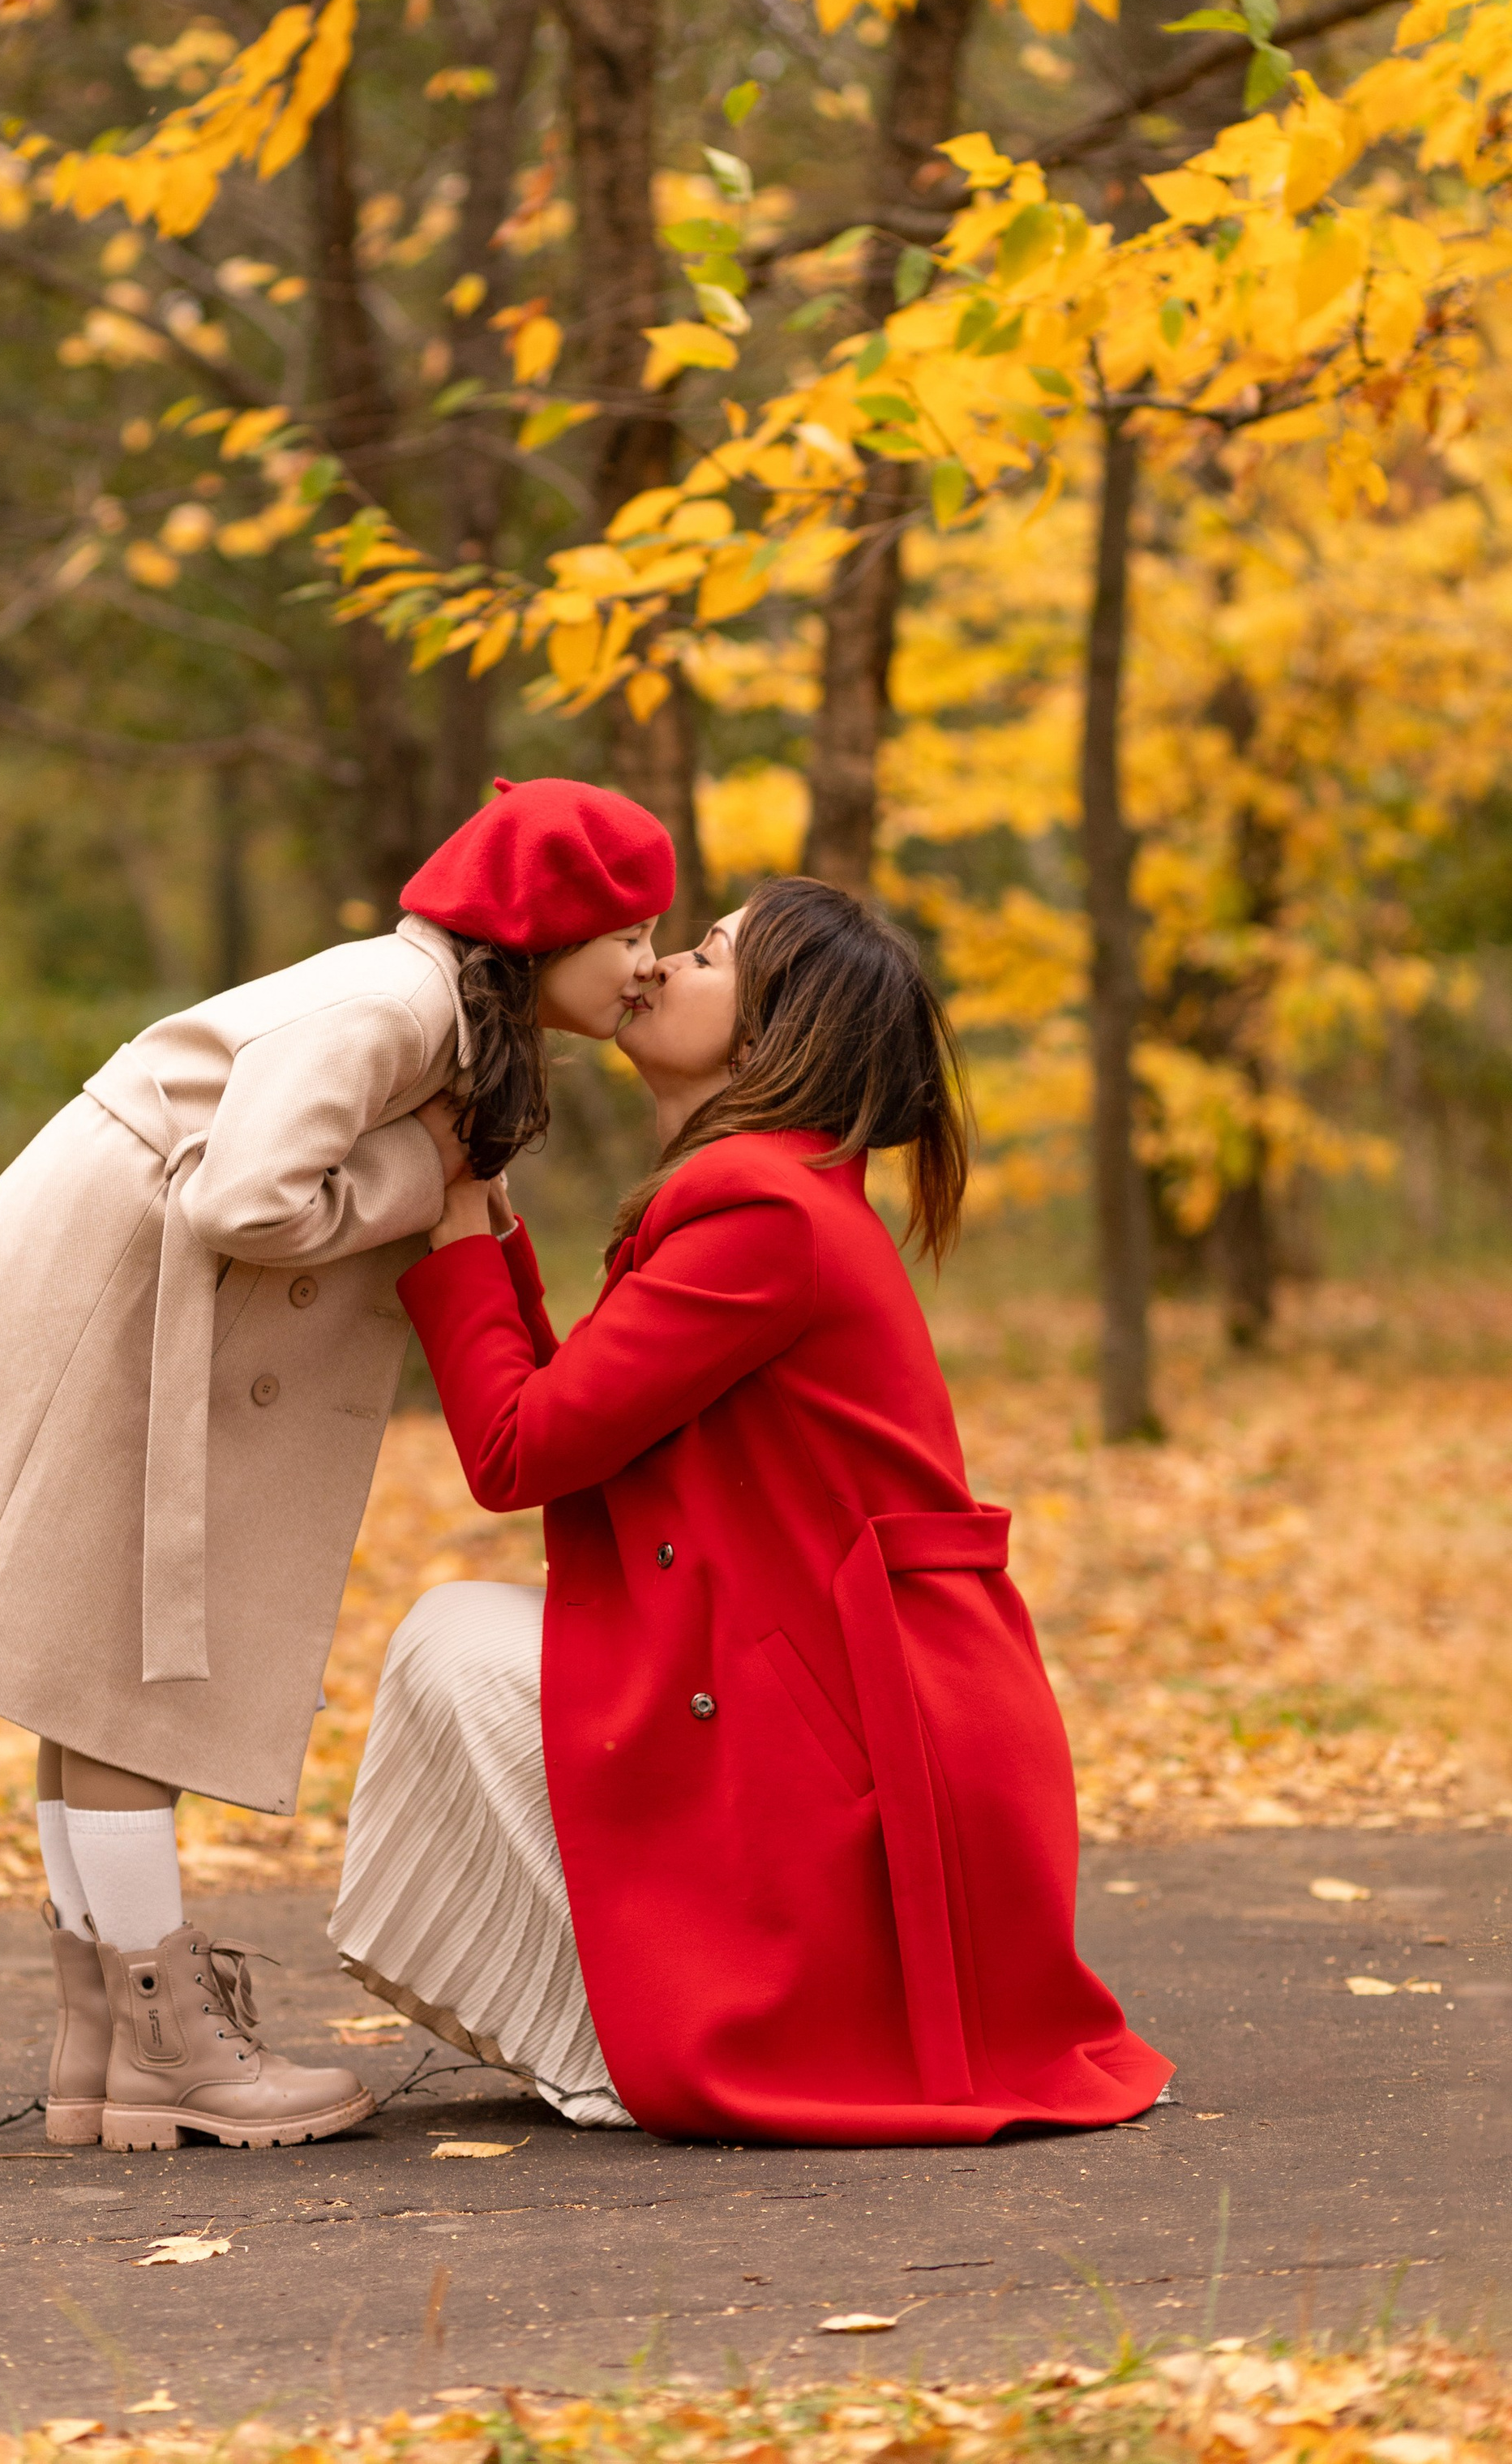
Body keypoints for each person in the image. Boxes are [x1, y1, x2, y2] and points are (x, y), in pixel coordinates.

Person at [0, 776, 675, 2151]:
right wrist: (427, 1168)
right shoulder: (395, 1012)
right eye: (626, 930)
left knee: (101, 1675)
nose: (645, 963)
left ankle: (110, 2037)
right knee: (134, 1678)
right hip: (120, 1301)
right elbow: (249, 1197)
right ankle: (167, 2050)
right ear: (538, 933)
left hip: (127, 1291)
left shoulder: (426, 1008)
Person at [330, 876, 1172, 2143]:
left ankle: (628, 2045)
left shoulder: (760, 1213)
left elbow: (520, 1450)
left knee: (456, 1645)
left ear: (778, 1032)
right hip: (853, 1688)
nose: (659, 965)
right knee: (469, 1641)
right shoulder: (764, 1194)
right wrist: (490, 1233)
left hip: (865, 1730)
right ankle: (625, 2028)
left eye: (709, 956)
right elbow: (589, 1425)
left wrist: (453, 1241)